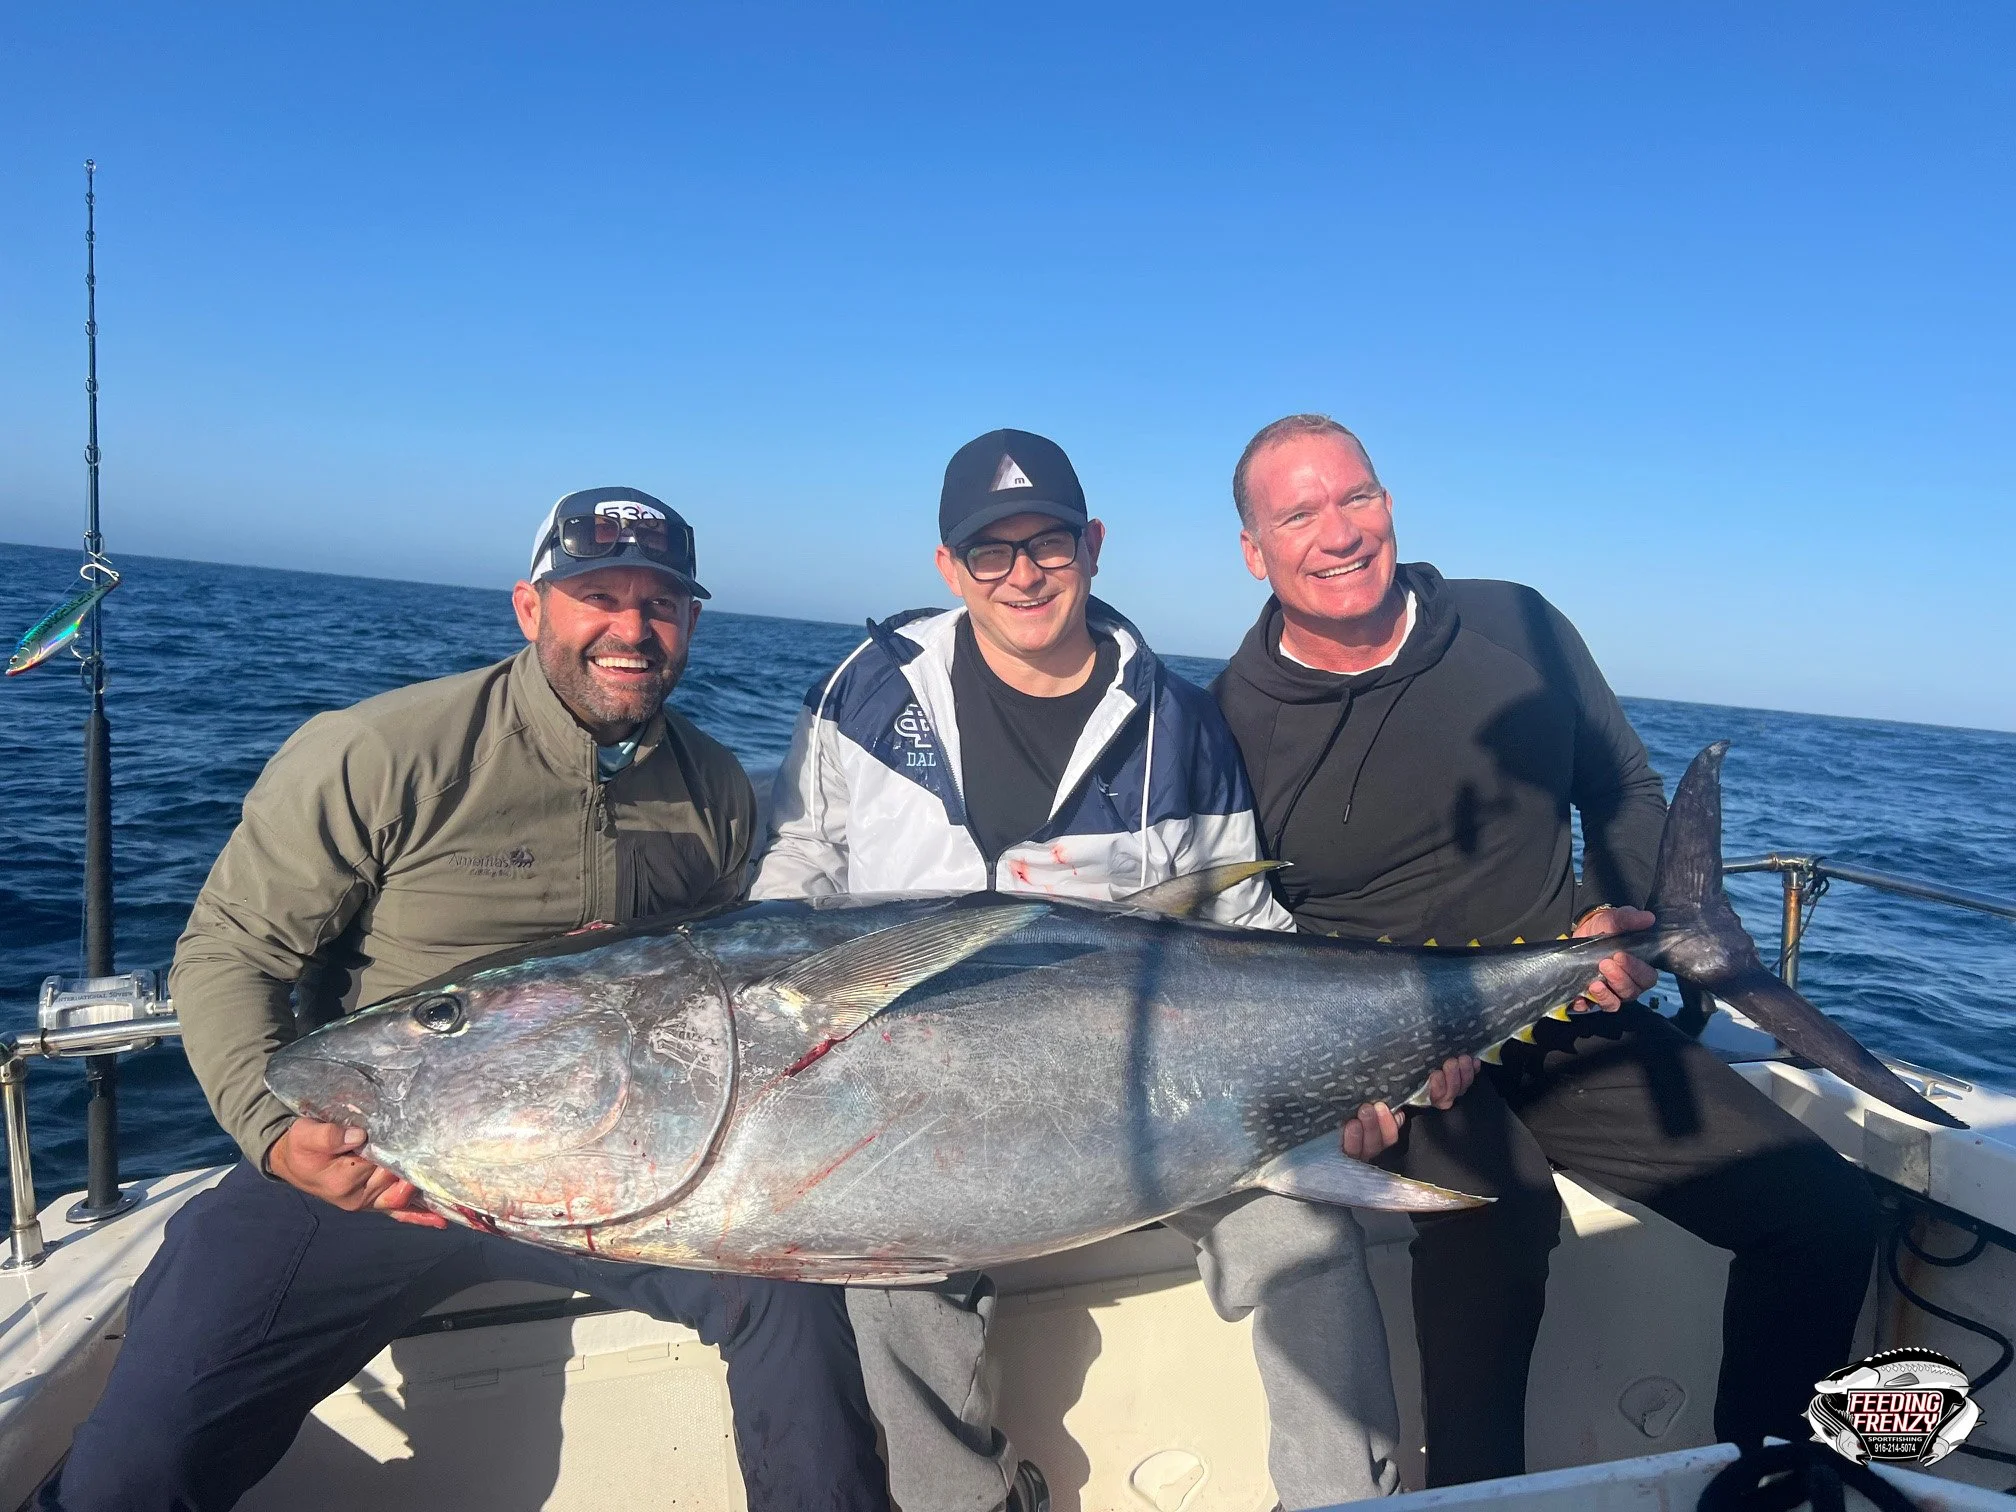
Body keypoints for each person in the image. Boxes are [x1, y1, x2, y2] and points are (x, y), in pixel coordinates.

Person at [44, 489, 889, 1512]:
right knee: (146, 1449)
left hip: (626, 1179)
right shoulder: (384, 752)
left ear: (693, 623)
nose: (630, 628)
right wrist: (275, 1137)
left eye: (660, 603)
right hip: (379, 1174)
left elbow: (713, 1000)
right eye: (597, 596)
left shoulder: (714, 786)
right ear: (531, 607)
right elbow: (230, 954)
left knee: (796, 1308)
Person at [753, 429, 1472, 1512]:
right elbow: (793, 882)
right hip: (916, 1111)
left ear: (1092, 546)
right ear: (950, 569)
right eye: (990, 553)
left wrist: (1370, 1065)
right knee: (881, 1272)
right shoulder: (866, 692)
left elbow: (1247, 923)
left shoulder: (1177, 723)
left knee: (1305, 1237)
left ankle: (1341, 1499)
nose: (1024, 574)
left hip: (1160, 1110)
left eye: (1048, 543)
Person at [1212, 414, 1881, 1487]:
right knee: (1499, 1223)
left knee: (1827, 1216)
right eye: (1298, 514)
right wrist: (1323, 1081)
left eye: (1359, 498)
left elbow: (1620, 785)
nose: (1338, 533)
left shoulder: (1514, 624)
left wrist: (1626, 912)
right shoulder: (1231, 719)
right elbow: (1244, 940)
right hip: (1402, 1057)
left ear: (1390, 503)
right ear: (1255, 551)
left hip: (1568, 1009)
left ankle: (1763, 1488)